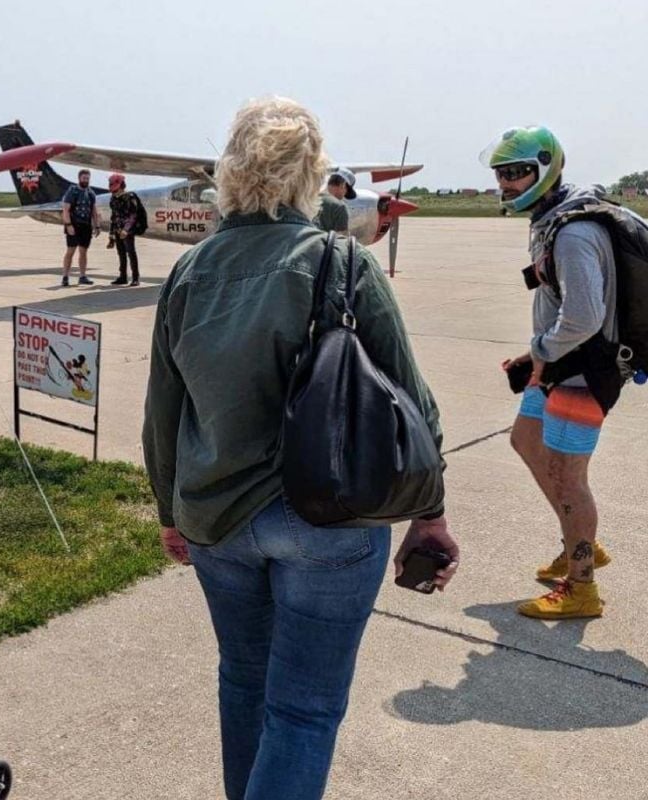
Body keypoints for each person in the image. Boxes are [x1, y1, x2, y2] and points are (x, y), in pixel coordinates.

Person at [142, 98, 458, 800]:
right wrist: (428, 513)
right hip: (330, 521)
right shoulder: (344, 261)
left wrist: (170, 508)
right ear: (311, 173)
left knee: (243, 682)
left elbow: (164, 411)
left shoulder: (189, 273)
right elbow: (412, 400)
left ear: (231, 171)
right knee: (304, 709)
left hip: (217, 520)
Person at [487, 126, 615, 619]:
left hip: (583, 371)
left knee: (568, 474)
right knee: (525, 438)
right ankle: (579, 538)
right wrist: (536, 357)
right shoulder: (553, 219)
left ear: (546, 168)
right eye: (502, 173)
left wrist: (541, 349)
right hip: (557, 364)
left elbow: (584, 316)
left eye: (518, 173)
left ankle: (581, 587)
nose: (507, 183)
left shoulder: (575, 232)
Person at [61, 169, 98, 286]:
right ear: (79, 178)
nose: (86, 180)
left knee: (83, 252)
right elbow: (65, 210)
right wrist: (68, 225)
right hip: (74, 225)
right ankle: (65, 276)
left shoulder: (91, 193)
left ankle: (82, 276)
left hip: (86, 226)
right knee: (70, 251)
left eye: (87, 178)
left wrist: (96, 226)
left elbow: (94, 211)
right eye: (84, 178)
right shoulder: (72, 191)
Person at [106, 173, 142, 286]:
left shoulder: (130, 197)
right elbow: (114, 216)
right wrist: (111, 234)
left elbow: (133, 215)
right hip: (117, 229)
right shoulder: (113, 199)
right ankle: (123, 277)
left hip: (128, 231)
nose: (114, 193)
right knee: (121, 253)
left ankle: (135, 278)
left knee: (131, 253)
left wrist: (126, 230)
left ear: (121, 186)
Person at [314, 167, 354, 233]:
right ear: (343, 185)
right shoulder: (339, 207)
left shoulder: (307, 200)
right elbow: (342, 240)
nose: (344, 196)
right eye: (346, 190)